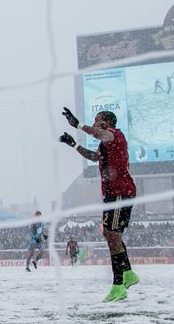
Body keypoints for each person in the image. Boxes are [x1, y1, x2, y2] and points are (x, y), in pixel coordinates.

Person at [59, 106, 138, 303]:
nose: (94, 123)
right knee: (110, 234)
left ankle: (118, 285)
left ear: (107, 122)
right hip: (113, 194)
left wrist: (78, 124)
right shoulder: (106, 144)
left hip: (121, 192)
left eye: (97, 119)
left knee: (112, 235)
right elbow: (95, 157)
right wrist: (74, 145)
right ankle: (128, 273)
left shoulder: (114, 135)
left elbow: (99, 133)